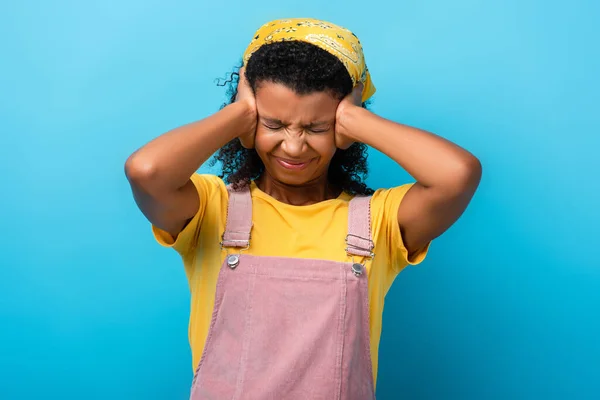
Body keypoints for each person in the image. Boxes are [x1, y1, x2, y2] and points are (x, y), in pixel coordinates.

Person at [125, 18, 482, 400]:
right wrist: (240, 114)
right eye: (273, 124)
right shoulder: (213, 209)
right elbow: (147, 172)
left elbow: (457, 175)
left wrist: (354, 118)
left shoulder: (378, 221)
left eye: (317, 128)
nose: (293, 147)